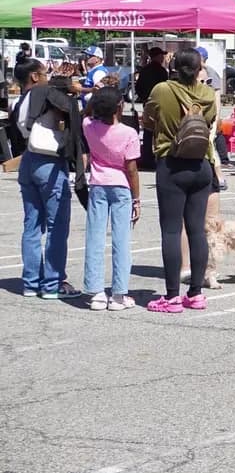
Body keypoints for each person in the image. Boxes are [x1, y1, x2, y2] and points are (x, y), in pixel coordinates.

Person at [147, 48, 217, 313]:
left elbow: (149, 119)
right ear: (200, 67)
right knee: (197, 229)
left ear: (173, 65)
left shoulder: (162, 89)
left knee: (172, 230)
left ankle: (172, 295)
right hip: (202, 163)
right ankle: (196, 292)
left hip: (171, 161)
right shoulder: (208, 94)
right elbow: (208, 123)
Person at [18, 58, 85, 299]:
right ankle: (53, 283)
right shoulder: (47, 95)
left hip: (28, 159)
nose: (49, 76)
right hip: (49, 162)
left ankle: (31, 282)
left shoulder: (24, 98)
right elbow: (67, 111)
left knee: (32, 224)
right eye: (45, 72)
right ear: (35, 77)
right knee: (57, 225)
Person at [82, 85, 141, 311]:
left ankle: (96, 292)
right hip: (121, 186)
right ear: (119, 106)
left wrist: (94, 98)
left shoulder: (89, 126)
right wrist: (137, 199)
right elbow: (132, 169)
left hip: (97, 184)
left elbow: (86, 113)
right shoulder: (129, 133)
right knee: (121, 240)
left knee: (95, 238)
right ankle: (118, 294)